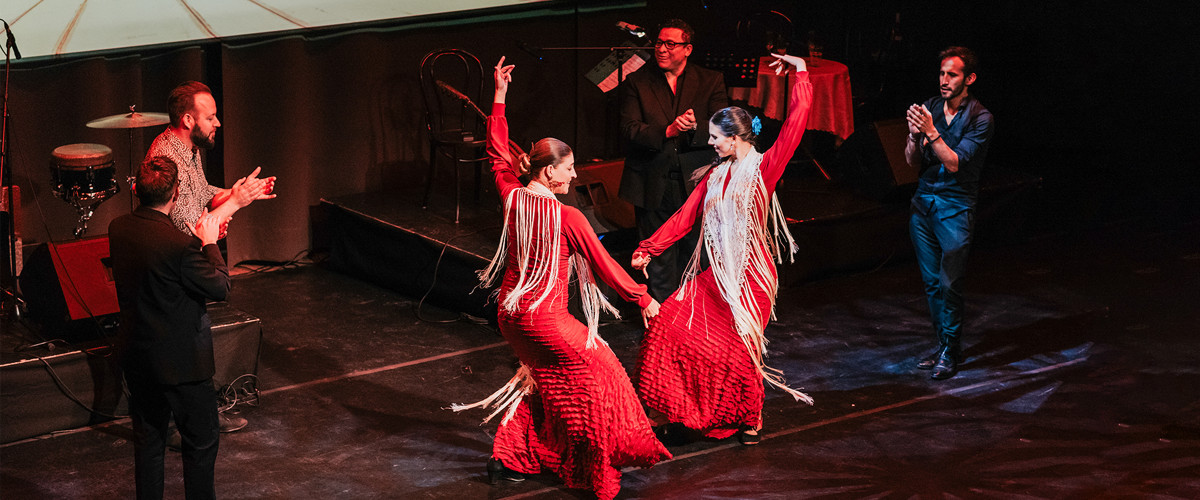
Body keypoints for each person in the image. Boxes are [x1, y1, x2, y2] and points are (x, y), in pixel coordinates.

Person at [451, 57, 670, 500]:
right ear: (549, 171)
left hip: (512, 316)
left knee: (543, 381)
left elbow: (497, 153)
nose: (574, 174)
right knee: (603, 377)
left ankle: (509, 458)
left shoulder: (512, 196)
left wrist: (499, 95)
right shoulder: (568, 217)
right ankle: (596, 468)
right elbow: (604, 264)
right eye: (569, 168)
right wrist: (642, 298)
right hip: (545, 319)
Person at [632, 53, 813, 446]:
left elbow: (796, 124)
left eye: (715, 137)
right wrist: (649, 248)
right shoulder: (715, 175)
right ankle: (686, 409)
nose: (710, 142)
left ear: (734, 139)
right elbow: (685, 216)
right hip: (716, 276)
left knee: (739, 350)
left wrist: (800, 72)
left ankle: (751, 417)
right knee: (668, 326)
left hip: (750, 278)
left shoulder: (764, 168)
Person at [109, 156, 231, 500]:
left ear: (136, 189)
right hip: (184, 366)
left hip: (139, 358)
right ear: (176, 193)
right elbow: (221, 287)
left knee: (149, 443)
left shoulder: (118, 228)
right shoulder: (179, 246)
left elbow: (161, 272)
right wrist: (209, 244)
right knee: (200, 444)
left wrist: (197, 245)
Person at [619, 19, 729, 301]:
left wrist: (695, 127)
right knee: (658, 259)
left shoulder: (710, 80)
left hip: (697, 184)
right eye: (659, 43)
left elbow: (724, 127)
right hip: (653, 182)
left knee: (698, 256)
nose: (661, 49)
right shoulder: (638, 81)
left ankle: (695, 314)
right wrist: (667, 131)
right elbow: (629, 128)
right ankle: (663, 316)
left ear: (687, 48)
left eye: (670, 44)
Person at [904, 46, 994, 380]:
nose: (944, 80)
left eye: (952, 74)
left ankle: (951, 349)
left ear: (969, 79)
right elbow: (911, 161)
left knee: (950, 283)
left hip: (955, 207)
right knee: (931, 283)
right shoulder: (930, 107)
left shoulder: (981, 118)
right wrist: (913, 136)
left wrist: (930, 131)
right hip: (923, 204)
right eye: (942, 73)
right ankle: (944, 346)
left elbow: (955, 163)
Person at [145, 81, 275, 235]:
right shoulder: (169, 162)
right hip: (173, 248)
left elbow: (203, 194)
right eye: (210, 118)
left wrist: (244, 192)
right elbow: (191, 229)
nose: (217, 123)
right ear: (188, 120)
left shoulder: (189, 146)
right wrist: (236, 201)